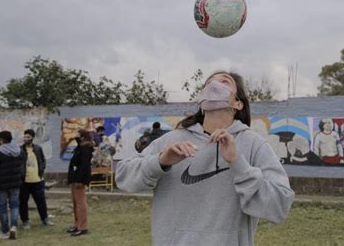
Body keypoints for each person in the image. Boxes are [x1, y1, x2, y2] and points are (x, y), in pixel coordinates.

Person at [116, 71, 294, 245]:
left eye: (224, 82)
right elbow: (123, 177)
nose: (215, 85)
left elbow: (279, 207)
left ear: (238, 103)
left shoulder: (255, 144)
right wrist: (160, 161)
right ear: (201, 100)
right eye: (210, 83)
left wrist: (238, 163)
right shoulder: (172, 140)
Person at [0, 131, 24, 240]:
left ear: (1, 140)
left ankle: (5, 231)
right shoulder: (19, 150)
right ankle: (14, 227)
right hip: (15, 183)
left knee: (2, 208)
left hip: (0, 185)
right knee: (14, 206)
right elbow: (22, 166)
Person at [19, 129, 54, 229]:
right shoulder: (20, 150)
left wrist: (41, 170)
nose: (26, 139)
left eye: (28, 137)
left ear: (33, 138)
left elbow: (42, 160)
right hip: (24, 181)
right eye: (25, 137)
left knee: (41, 201)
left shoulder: (38, 148)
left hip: (37, 181)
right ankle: (25, 221)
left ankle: (45, 219)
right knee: (23, 202)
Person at [67, 130, 94, 237]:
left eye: (78, 135)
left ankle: (82, 227)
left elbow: (84, 166)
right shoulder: (80, 147)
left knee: (80, 203)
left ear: (83, 137)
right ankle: (77, 224)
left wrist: (80, 180)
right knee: (75, 203)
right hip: (74, 178)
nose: (76, 137)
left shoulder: (85, 148)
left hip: (79, 179)